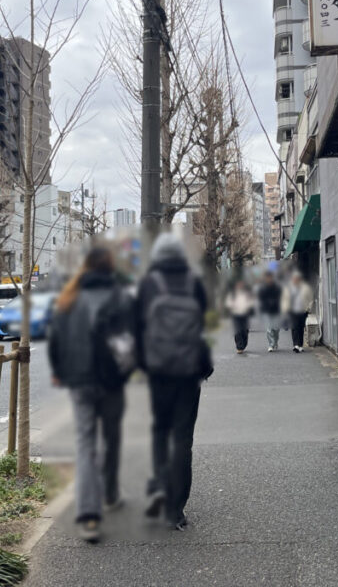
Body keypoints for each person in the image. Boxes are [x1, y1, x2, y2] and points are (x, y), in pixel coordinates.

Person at [48, 247, 132, 543]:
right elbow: (133, 338)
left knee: (85, 444)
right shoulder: (120, 296)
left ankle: (88, 516)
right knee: (111, 437)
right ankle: (109, 493)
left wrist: (59, 370)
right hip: (111, 379)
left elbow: (56, 337)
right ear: (109, 267)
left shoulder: (69, 297)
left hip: (79, 379)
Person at [134, 232, 211, 531]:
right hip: (189, 373)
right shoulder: (194, 283)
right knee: (182, 439)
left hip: (159, 373)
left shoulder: (148, 284)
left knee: (160, 434)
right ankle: (176, 510)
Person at [287, 271, 314, 353]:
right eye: (294, 279)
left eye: (297, 279)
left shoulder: (305, 288)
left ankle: (300, 345)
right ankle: (296, 345)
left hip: (303, 311)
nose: (295, 280)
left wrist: (308, 308)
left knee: (301, 328)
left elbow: (310, 298)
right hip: (293, 310)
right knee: (294, 327)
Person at [224, 280, 254, 353]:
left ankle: (244, 344)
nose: (240, 286)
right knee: (237, 330)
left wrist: (247, 307)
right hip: (235, 314)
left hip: (245, 314)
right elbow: (228, 303)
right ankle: (239, 347)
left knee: (244, 331)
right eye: (238, 285)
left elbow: (251, 302)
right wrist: (233, 306)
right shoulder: (232, 294)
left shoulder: (247, 294)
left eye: (241, 285)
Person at [256, 272, 282, 352]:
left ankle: (275, 342)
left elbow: (280, 298)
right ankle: (271, 344)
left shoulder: (277, 287)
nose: (269, 279)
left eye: (270, 278)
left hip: (276, 310)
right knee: (269, 329)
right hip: (266, 310)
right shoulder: (263, 288)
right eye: (267, 278)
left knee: (276, 329)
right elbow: (260, 299)